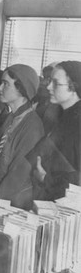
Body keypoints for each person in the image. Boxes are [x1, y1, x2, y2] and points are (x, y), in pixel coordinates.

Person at [0, 64, 44, 210]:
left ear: (21, 89)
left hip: (12, 204)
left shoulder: (33, 126)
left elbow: (19, 174)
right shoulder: (9, 118)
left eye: (6, 84)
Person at [30, 61, 81, 200]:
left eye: (56, 83)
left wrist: (45, 178)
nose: (48, 87)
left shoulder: (77, 123)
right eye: (49, 81)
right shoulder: (61, 115)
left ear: (74, 87)